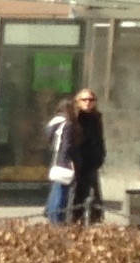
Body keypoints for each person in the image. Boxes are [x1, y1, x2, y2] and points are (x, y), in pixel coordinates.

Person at [44, 90, 106, 225]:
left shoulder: (96, 117)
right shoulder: (74, 117)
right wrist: (71, 158)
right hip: (76, 158)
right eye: (84, 100)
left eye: (91, 100)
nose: (88, 103)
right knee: (69, 189)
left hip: (92, 159)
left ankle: (89, 217)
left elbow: (99, 139)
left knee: (90, 189)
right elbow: (68, 141)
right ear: (77, 102)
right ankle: (64, 216)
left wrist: (100, 155)